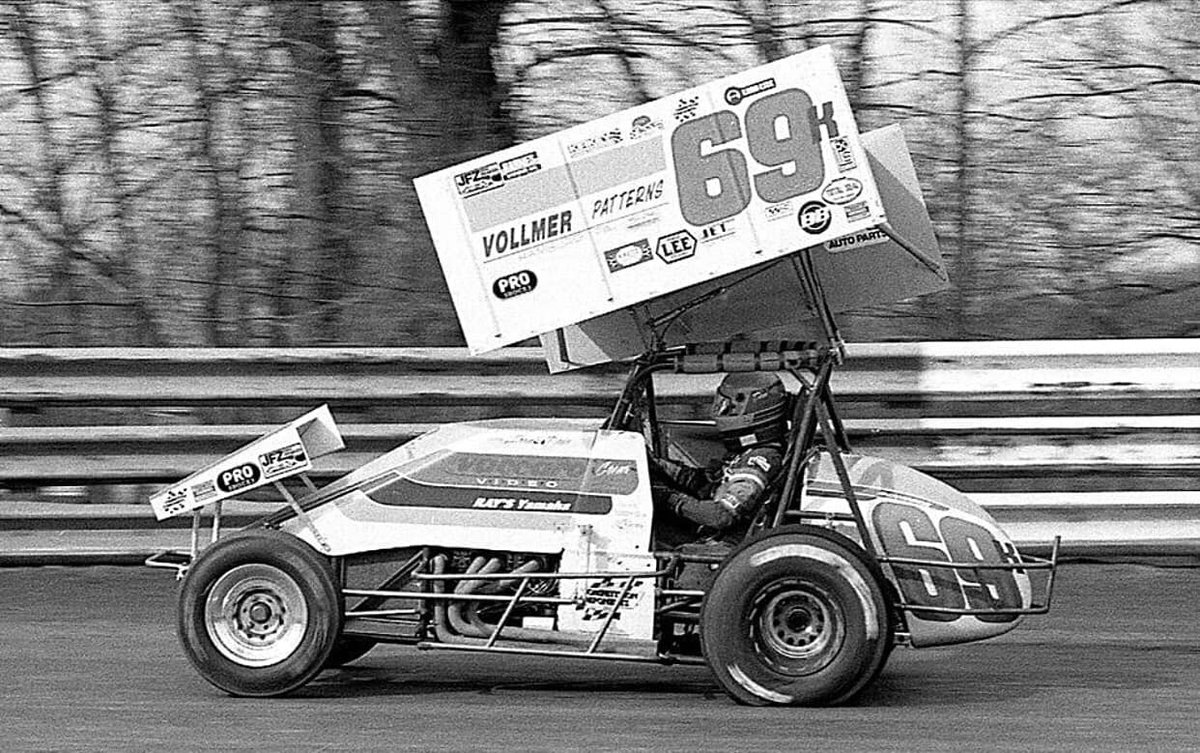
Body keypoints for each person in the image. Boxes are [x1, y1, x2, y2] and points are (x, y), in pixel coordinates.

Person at [651, 371, 789, 545]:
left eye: (726, 405)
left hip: (725, 549)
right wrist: (653, 463)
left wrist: (668, 498)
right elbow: (705, 486)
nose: (721, 411)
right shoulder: (747, 453)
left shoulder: (761, 459)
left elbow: (720, 516)